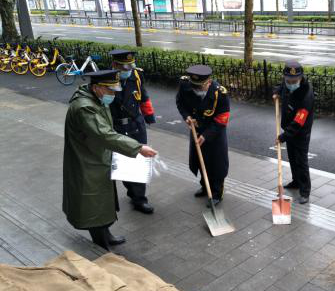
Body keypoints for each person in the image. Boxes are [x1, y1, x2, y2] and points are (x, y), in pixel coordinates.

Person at [63, 70, 158, 251]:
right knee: (93, 203)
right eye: (110, 91)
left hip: (97, 157)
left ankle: (106, 235)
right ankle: (101, 245)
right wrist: (138, 148)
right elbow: (105, 135)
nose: (114, 94)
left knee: (102, 199)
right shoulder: (85, 107)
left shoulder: (96, 99)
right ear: (97, 87)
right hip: (87, 162)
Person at [109, 49, 156, 214]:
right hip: (116, 127)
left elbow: (143, 96)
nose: (128, 71)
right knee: (123, 163)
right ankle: (131, 191)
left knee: (138, 161)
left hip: (135, 124)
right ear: (115, 65)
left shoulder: (136, 75)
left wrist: (149, 116)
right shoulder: (107, 79)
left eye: (130, 67)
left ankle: (140, 199)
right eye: (124, 68)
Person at [176, 65, 230, 208]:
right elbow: (180, 103)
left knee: (216, 164)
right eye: (195, 86)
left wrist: (206, 135)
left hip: (215, 133)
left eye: (200, 87)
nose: (197, 90)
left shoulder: (220, 93)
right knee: (200, 161)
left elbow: (222, 119)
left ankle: (217, 193)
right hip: (196, 129)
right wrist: (186, 116)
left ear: (209, 81)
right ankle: (205, 187)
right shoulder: (185, 85)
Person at [273, 60, 314, 205]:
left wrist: (282, 137)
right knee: (292, 157)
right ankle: (296, 182)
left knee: (301, 160)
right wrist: (277, 92)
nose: (290, 83)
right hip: (288, 128)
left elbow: (298, 122)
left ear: (301, 78)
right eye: (288, 80)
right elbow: (281, 86)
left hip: (301, 132)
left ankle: (305, 191)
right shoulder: (287, 83)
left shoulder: (305, 95)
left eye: (294, 80)